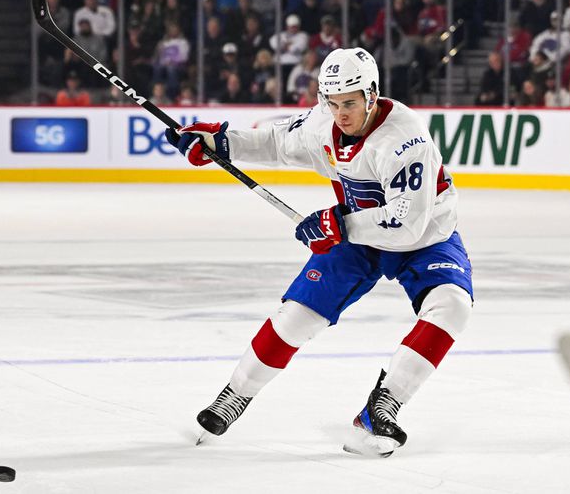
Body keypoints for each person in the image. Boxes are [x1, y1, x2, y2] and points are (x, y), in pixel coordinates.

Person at [164, 47, 472, 457]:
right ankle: (235, 394)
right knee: (298, 316)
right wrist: (220, 142)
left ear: (372, 94)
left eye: (350, 103)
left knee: (452, 306)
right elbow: (278, 142)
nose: (340, 114)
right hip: (358, 239)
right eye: (332, 103)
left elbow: (407, 223)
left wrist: (339, 225)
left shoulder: (404, 139)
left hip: (426, 238)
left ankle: (383, 406)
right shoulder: (323, 121)